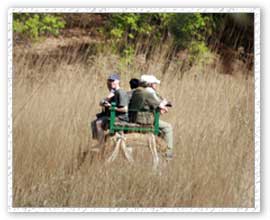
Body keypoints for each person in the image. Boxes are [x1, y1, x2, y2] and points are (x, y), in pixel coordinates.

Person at [129, 74, 174, 159]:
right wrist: (164, 105)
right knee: (168, 127)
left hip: (135, 117)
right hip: (144, 120)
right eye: (154, 83)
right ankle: (168, 154)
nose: (156, 85)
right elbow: (160, 105)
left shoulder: (137, 91)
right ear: (149, 84)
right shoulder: (147, 92)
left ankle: (161, 148)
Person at [91, 73, 129, 151]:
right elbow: (101, 103)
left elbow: (125, 109)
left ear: (118, 81)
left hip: (120, 117)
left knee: (98, 123)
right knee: (94, 122)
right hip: (112, 116)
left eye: (113, 81)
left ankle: (100, 145)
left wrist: (112, 107)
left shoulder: (121, 92)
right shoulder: (113, 93)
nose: (111, 83)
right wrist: (108, 98)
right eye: (109, 81)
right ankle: (100, 142)